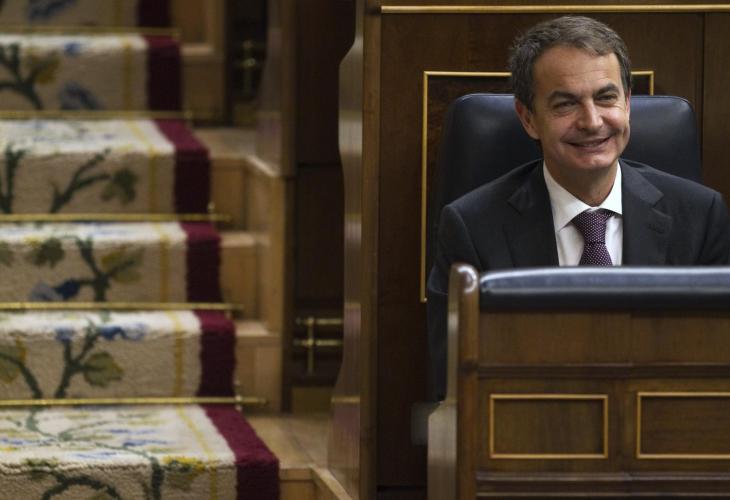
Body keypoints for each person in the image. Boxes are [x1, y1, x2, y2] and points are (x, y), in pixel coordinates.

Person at [426, 15, 730, 400]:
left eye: (606, 98)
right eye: (566, 104)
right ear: (528, 119)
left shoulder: (701, 216)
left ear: (627, 103)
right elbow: (453, 384)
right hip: (531, 429)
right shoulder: (472, 227)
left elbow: (716, 372)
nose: (591, 121)